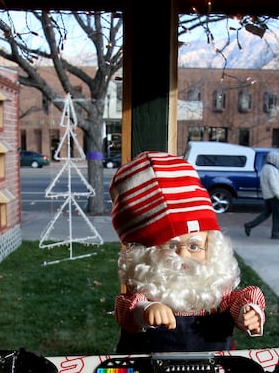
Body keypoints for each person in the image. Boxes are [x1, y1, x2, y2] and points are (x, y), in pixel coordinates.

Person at [109, 151, 266, 354]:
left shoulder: (214, 291)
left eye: (194, 246)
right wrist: (145, 311)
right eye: (172, 247)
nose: (183, 255)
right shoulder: (148, 291)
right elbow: (126, 311)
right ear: (147, 255)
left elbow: (238, 300)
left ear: (210, 247)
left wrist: (248, 311)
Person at [244, 150, 279, 240]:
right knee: (278, 214)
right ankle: (275, 232)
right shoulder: (273, 170)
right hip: (274, 196)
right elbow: (274, 184)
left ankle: (250, 225)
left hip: (267, 195)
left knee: (265, 213)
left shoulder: (265, 167)